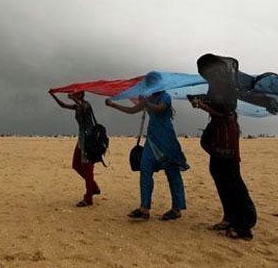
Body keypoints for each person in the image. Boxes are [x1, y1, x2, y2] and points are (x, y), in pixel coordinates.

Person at [190, 53, 257, 240]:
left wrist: (203, 107)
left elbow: (225, 111)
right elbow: (217, 105)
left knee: (231, 177)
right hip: (220, 133)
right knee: (219, 173)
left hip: (226, 134)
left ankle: (244, 225)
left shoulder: (225, 84)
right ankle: (230, 217)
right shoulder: (217, 84)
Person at [105, 91, 189, 221]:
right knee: (145, 168)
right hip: (152, 139)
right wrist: (113, 105)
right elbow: (132, 110)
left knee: (172, 172)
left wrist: (146, 103)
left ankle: (176, 208)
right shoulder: (148, 98)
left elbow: (160, 108)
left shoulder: (165, 97)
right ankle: (144, 208)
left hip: (167, 139)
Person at [49, 90, 101, 207]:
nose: (74, 95)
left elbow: (82, 105)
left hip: (88, 141)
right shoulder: (77, 106)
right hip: (81, 139)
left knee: (87, 169)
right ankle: (93, 186)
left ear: (81, 95)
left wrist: (72, 98)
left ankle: (88, 198)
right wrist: (54, 96)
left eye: (77, 93)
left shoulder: (86, 104)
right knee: (76, 165)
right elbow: (63, 105)